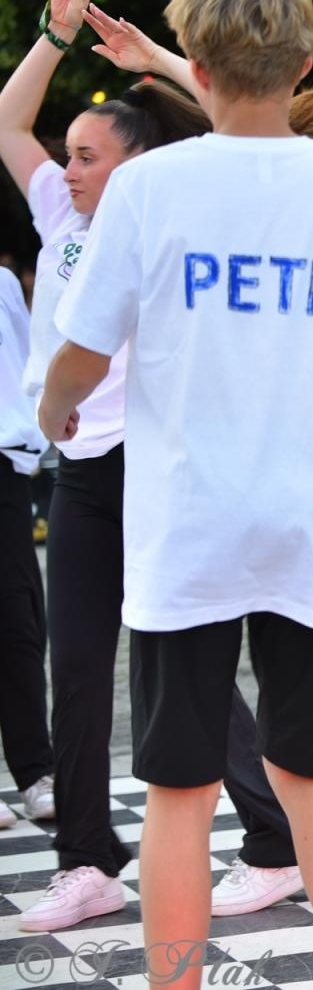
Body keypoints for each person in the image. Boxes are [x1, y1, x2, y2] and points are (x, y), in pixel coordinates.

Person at [39, 0, 313, 989]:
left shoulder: (148, 187)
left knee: (180, 787)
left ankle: (177, 982)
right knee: (309, 767)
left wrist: (54, 406)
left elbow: (84, 351)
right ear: (307, 62)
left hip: (192, 522)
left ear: (196, 68)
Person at [3, 0, 313, 932]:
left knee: (175, 666)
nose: (68, 163)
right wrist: (58, 36)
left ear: (137, 163)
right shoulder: (60, 209)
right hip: (81, 474)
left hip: (158, 463)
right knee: (79, 667)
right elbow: (6, 122)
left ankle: (274, 841)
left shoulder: (178, 201)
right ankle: (88, 862)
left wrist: (163, 61)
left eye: (89, 152)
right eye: (68, 151)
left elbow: (254, 113)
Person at [0, 265, 52, 833]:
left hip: (2, 467)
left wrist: (25, 448)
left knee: (17, 621)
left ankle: (37, 771)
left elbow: (24, 364)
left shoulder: (3, 285)